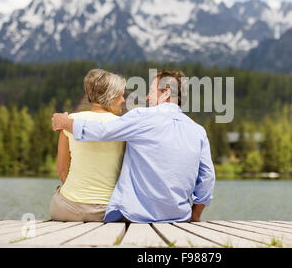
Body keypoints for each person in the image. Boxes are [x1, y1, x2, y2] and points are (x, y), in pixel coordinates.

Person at [52, 69, 215, 223]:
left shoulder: (141, 117)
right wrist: (195, 215)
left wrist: (66, 123)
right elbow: (207, 179)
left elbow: (102, 131)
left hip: (137, 218)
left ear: (166, 92)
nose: (147, 97)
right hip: (180, 217)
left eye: (151, 91)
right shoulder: (198, 131)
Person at [49, 69, 126, 222]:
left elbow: (62, 170)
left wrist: (81, 199)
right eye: (120, 95)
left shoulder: (70, 121)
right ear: (110, 96)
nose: (123, 100)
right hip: (108, 212)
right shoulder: (123, 126)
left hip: (66, 210)